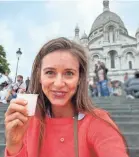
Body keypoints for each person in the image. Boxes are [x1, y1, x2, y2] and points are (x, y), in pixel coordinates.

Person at [4, 38, 129, 157]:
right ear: (39, 75)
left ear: (80, 78)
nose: (59, 83)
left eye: (69, 73)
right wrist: (14, 144)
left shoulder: (98, 121)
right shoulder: (25, 121)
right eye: (50, 72)